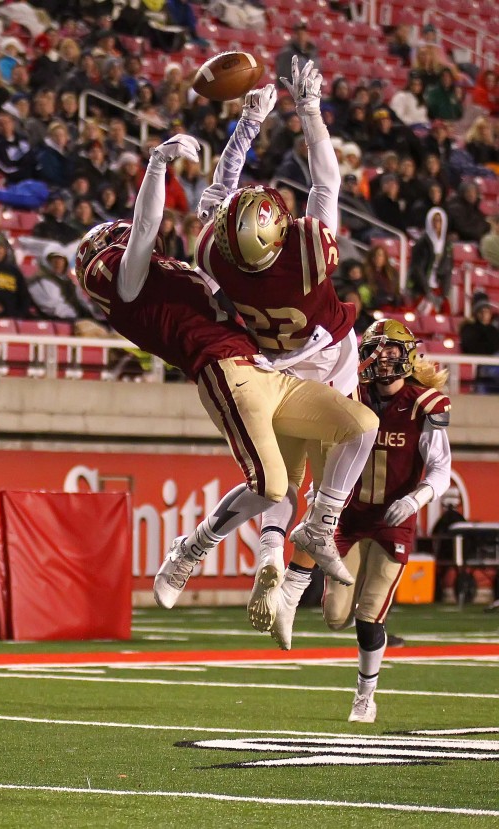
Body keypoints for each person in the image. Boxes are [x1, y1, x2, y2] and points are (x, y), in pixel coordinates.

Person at [74, 135, 377, 611]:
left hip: (266, 367)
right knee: (273, 485)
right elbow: (147, 226)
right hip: (226, 372)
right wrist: (157, 165)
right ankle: (189, 550)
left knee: (361, 425)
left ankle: (315, 530)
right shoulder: (126, 285)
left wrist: (248, 125)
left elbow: (224, 202)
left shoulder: (183, 267)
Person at [193, 59, 370, 631]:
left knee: (278, 475)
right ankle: (297, 574)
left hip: (270, 366)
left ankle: (271, 556)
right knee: (337, 469)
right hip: (331, 353)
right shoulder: (307, 249)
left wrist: (247, 122)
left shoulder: (215, 253)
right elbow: (328, 181)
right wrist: (310, 110)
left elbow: (220, 188)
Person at [322, 319, 451, 722]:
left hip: (393, 521)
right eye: (375, 351)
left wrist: (416, 499)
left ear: (407, 356)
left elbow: (441, 469)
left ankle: (365, 695)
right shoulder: (350, 395)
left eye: (391, 352)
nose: (383, 360)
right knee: (335, 616)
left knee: (369, 612)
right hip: (350, 518)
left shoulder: (421, 403)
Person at [407, 207, 453, 312]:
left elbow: (447, 270)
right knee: (429, 311)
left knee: (446, 312)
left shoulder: (447, 245)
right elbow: (417, 269)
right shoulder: (421, 243)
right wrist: (427, 291)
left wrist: (443, 294)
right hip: (421, 289)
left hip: (438, 289)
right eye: (435, 220)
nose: (437, 224)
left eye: (439, 221)